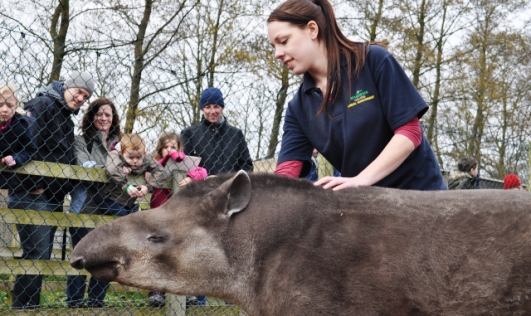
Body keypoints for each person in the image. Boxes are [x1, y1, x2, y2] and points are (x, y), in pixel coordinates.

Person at [267, 0, 446, 191]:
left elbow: (410, 132)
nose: (277, 54)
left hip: (420, 197)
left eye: (284, 41)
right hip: (365, 205)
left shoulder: (374, 61)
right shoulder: (298, 108)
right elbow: (286, 172)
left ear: (312, 29)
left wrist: (360, 180)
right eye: (273, 47)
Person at [12, 71, 94, 309]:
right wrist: (33, 186)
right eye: (78, 91)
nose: (80, 98)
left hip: (52, 197)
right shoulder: (42, 104)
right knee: (36, 253)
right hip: (33, 193)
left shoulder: (65, 118)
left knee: (40, 255)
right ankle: (22, 308)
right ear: (67, 86)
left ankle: (29, 307)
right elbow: (26, 144)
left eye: (85, 96)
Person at [66, 98, 122, 308]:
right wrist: (112, 168)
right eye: (99, 114)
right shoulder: (82, 141)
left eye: (108, 115)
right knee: (82, 255)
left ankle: (97, 302)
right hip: (84, 205)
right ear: (92, 116)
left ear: (113, 118)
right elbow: (85, 166)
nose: (103, 118)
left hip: (111, 204)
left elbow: (130, 164)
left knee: (106, 257)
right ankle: (74, 302)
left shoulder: (120, 143)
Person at [147, 131, 207, 307]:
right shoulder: (156, 164)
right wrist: (172, 157)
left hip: (181, 218)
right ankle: (157, 293)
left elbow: (202, 171)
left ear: (181, 148)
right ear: (160, 149)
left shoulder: (185, 164)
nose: (169, 150)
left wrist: (190, 177)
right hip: (160, 217)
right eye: (165, 147)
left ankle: (187, 293)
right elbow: (157, 170)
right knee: (160, 254)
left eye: (173, 147)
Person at [181, 87, 253, 176]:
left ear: (221, 107)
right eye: (207, 107)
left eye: (216, 106)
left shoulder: (236, 134)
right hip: (201, 187)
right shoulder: (189, 133)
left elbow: (246, 165)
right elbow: (184, 166)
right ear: (202, 109)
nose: (212, 111)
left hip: (230, 186)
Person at [95, 133, 166, 217]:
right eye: (130, 158)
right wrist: (127, 186)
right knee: (122, 214)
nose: (135, 161)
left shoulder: (147, 158)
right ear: (122, 152)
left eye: (138, 157)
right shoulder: (115, 155)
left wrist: (147, 187)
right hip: (108, 199)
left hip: (128, 203)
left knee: (136, 218)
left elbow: (161, 172)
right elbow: (112, 169)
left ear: (144, 153)